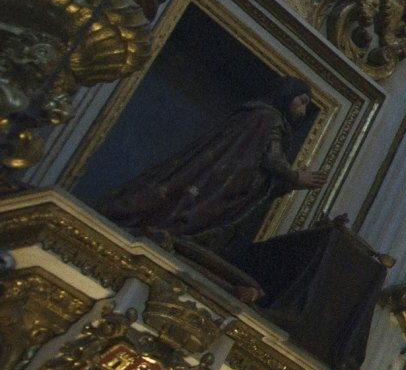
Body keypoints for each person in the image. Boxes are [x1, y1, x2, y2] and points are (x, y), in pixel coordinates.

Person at [95, 78, 326, 268]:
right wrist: (296, 177)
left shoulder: (257, 115)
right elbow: (271, 158)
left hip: (218, 177)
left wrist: (288, 183)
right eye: (302, 102)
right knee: (192, 209)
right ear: (287, 95)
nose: (304, 111)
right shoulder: (268, 118)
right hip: (218, 182)